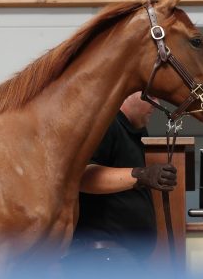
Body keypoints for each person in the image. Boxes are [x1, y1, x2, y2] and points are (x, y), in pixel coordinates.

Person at [64, 92, 177, 274]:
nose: (157, 104)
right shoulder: (106, 124)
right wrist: (142, 175)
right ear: (128, 93)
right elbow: (82, 177)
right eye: (152, 97)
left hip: (119, 259)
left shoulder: (134, 131)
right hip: (101, 260)